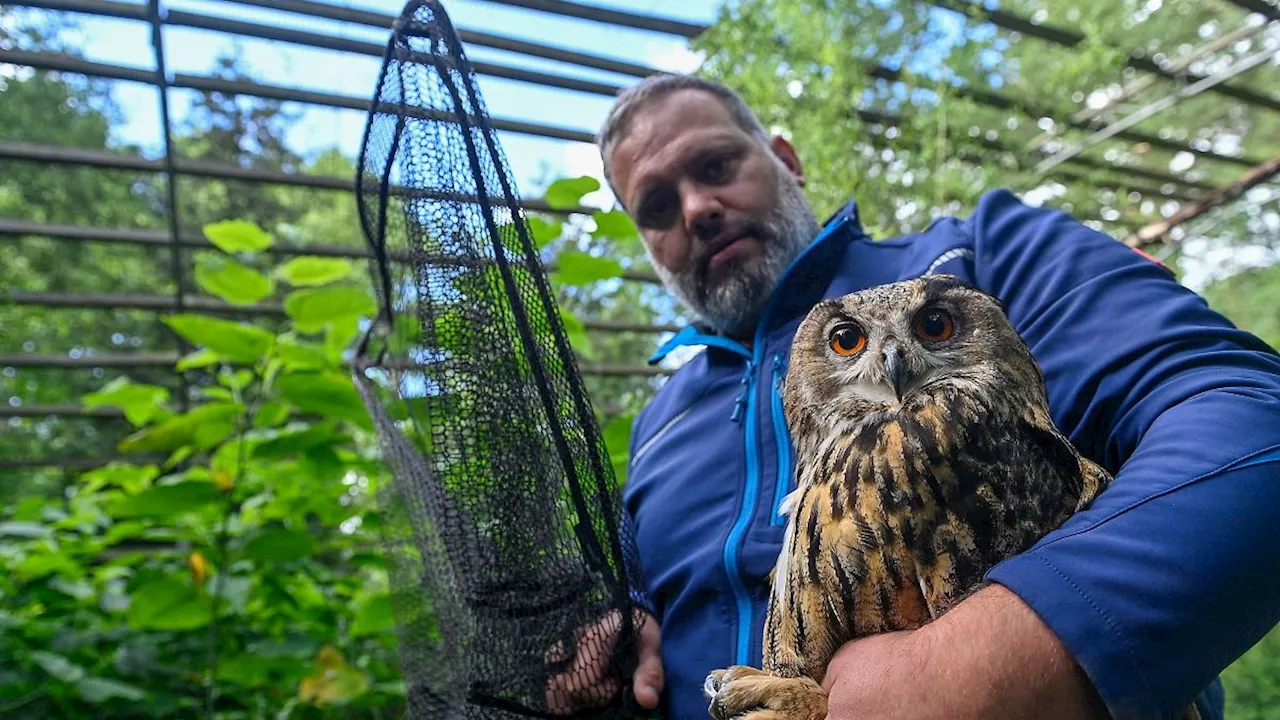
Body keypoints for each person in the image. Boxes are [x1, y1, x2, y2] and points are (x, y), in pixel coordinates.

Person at [549, 73, 1280, 719]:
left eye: (716, 164)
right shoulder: (658, 423)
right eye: (654, 206)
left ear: (787, 160)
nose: (697, 207)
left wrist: (1002, 660)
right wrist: (622, 635)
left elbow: (1251, 415)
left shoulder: (987, 255)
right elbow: (648, 609)